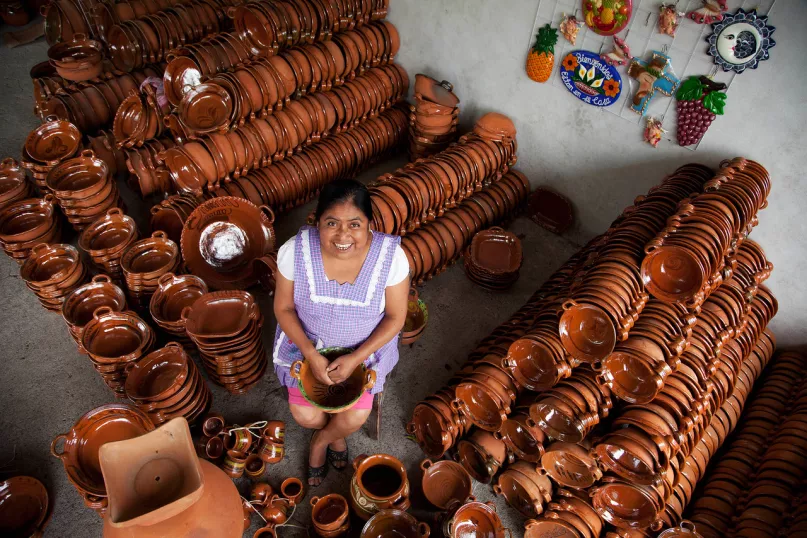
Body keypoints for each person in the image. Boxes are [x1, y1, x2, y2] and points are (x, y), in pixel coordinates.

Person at [272, 179, 410, 486]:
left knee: (354, 416)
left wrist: (354, 358)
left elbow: (395, 317)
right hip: (306, 347)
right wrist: (309, 353)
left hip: (364, 353)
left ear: (369, 225)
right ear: (316, 221)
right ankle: (333, 437)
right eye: (331, 223)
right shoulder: (295, 251)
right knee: (305, 415)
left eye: (355, 224)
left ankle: (322, 441)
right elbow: (283, 309)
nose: (343, 235)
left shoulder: (391, 259)